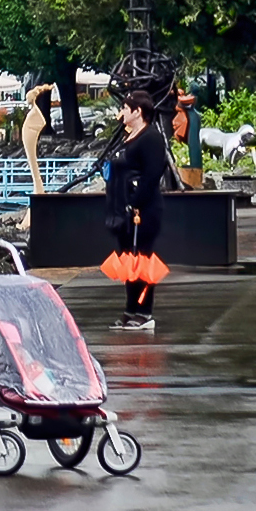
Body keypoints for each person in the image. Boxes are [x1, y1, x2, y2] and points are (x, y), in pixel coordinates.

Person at [102, 90, 167, 332]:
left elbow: (151, 176)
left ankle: (144, 311)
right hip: (123, 210)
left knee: (143, 258)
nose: (122, 113)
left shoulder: (151, 138)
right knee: (128, 259)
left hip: (143, 210)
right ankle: (130, 309)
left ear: (138, 111)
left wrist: (135, 203)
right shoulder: (129, 137)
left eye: (126, 109)